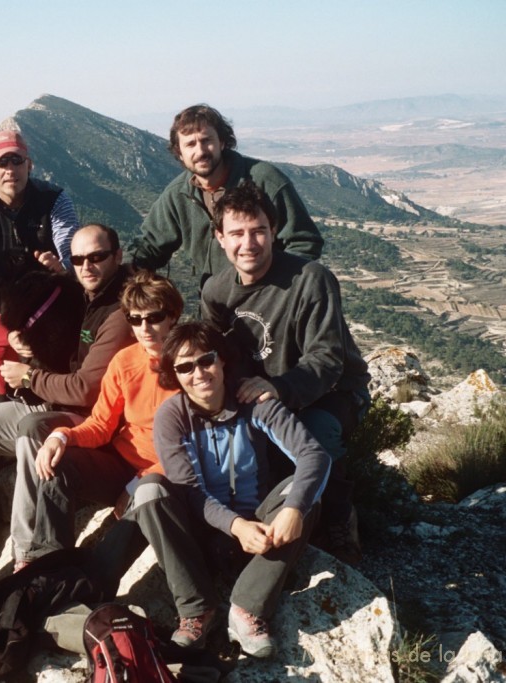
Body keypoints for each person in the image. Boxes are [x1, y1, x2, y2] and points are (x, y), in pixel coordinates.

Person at [0, 224, 134, 563]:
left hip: (87, 419)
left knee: (35, 430)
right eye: (77, 259)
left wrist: (29, 375)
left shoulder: (119, 313)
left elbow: (86, 389)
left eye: (97, 257)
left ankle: (27, 554)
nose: (86, 266)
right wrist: (27, 347)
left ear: (117, 257)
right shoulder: (84, 293)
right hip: (51, 403)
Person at [200, 182, 370, 563]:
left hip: (331, 392)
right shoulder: (216, 291)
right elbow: (211, 350)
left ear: (273, 231)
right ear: (219, 238)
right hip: (260, 395)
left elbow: (328, 359)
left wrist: (278, 388)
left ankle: (341, 517)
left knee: (313, 435)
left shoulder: (310, 279)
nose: (249, 243)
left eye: (258, 230)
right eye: (237, 233)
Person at [147, 321, 331, 658]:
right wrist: (235, 525)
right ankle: (196, 609)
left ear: (222, 361)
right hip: (202, 534)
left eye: (206, 360)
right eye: (185, 367)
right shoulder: (172, 417)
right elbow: (188, 490)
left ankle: (247, 608)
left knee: (304, 494)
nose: (199, 373)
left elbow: (313, 455)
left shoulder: (254, 403)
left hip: (260, 531)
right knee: (149, 492)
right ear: (174, 375)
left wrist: (293, 509)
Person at [25, 271, 182, 561]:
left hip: (163, 476)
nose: (144, 328)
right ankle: (48, 563)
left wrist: (138, 483)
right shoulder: (125, 360)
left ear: (173, 316)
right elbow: (100, 424)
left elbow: (192, 446)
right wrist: (62, 436)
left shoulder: (189, 365)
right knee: (59, 465)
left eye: (154, 318)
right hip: (121, 464)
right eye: (135, 319)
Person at [131, 104, 323, 287]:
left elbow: (303, 242)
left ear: (222, 142)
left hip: (269, 299)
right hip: (215, 304)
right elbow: (149, 246)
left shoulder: (264, 180)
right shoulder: (178, 194)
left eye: (206, 140)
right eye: (190, 144)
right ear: (179, 153)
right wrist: (119, 270)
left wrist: (273, 288)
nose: (200, 151)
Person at [0, 129, 79, 399]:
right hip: (1, 293)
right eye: (2, 162)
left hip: (51, 290)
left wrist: (62, 265)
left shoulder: (55, 199)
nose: (10, 169)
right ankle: (6, 400)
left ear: (29, 165)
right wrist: (5, 291)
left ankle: (63, 395)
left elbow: (69, 247)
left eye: (17, 161)